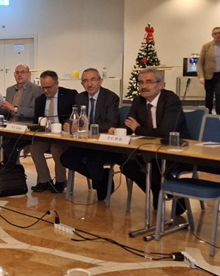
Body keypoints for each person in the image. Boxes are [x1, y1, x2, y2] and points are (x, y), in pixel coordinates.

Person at [121, 67, 190, 212]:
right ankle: (158, 192)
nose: (143, 86)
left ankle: (177, 201)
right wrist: (116, 131)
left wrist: (138, 129)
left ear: (161, 84)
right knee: (126, 164)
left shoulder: (171, 100)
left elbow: (165, 132)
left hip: (175, 150)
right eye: (140, 82)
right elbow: (129, 125)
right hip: (149, 149)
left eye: (149, 82)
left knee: (153, 163)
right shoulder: (138, 101)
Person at [61, 68, 121, 201]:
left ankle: (100, 182)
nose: (89, 84)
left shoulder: (111, 97)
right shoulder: (80, 97)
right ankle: (103, 178)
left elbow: (112, 123)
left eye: (93, 80)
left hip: (103, 145)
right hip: (84, 142)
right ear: (82, 84)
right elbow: (74, 117)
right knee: (66, 158)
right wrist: (68, 123)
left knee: (93, 162)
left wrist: (87, 127)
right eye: (85, 81)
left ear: (101, 81)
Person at [30, 71, 77, 193]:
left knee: (56, 149)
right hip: (46, 135)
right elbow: (36, 121)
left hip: (63, 136)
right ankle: (45, 180)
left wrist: (69, 122)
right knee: (34, 148)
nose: (45, 90)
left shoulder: (70, 95)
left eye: (49, 87)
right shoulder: (40, 100)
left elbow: (76, 115)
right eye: (43, 87)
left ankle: (61, 181)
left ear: (57, 84)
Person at [0, 64, 40, 165]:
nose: (19, 75)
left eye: (22, 72)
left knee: (9, 144)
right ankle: (7, 166)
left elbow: (34, 112)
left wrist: (15, 109)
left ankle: (10, 169)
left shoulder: (36, 90)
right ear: (14, 75)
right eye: (17, 73)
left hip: (25, 128)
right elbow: (7, 111)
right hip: (8, 126)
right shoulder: (10, 90)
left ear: (29, 74)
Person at [197, 26, 220, 115]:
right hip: (208, 76)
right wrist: (201, 76)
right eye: (215, 33)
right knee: (209, 95)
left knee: (219, 95)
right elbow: (200, 63)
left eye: (219, 33)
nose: (217, 35)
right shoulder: (206, 46)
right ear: (212, 35)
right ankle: (208, 114)